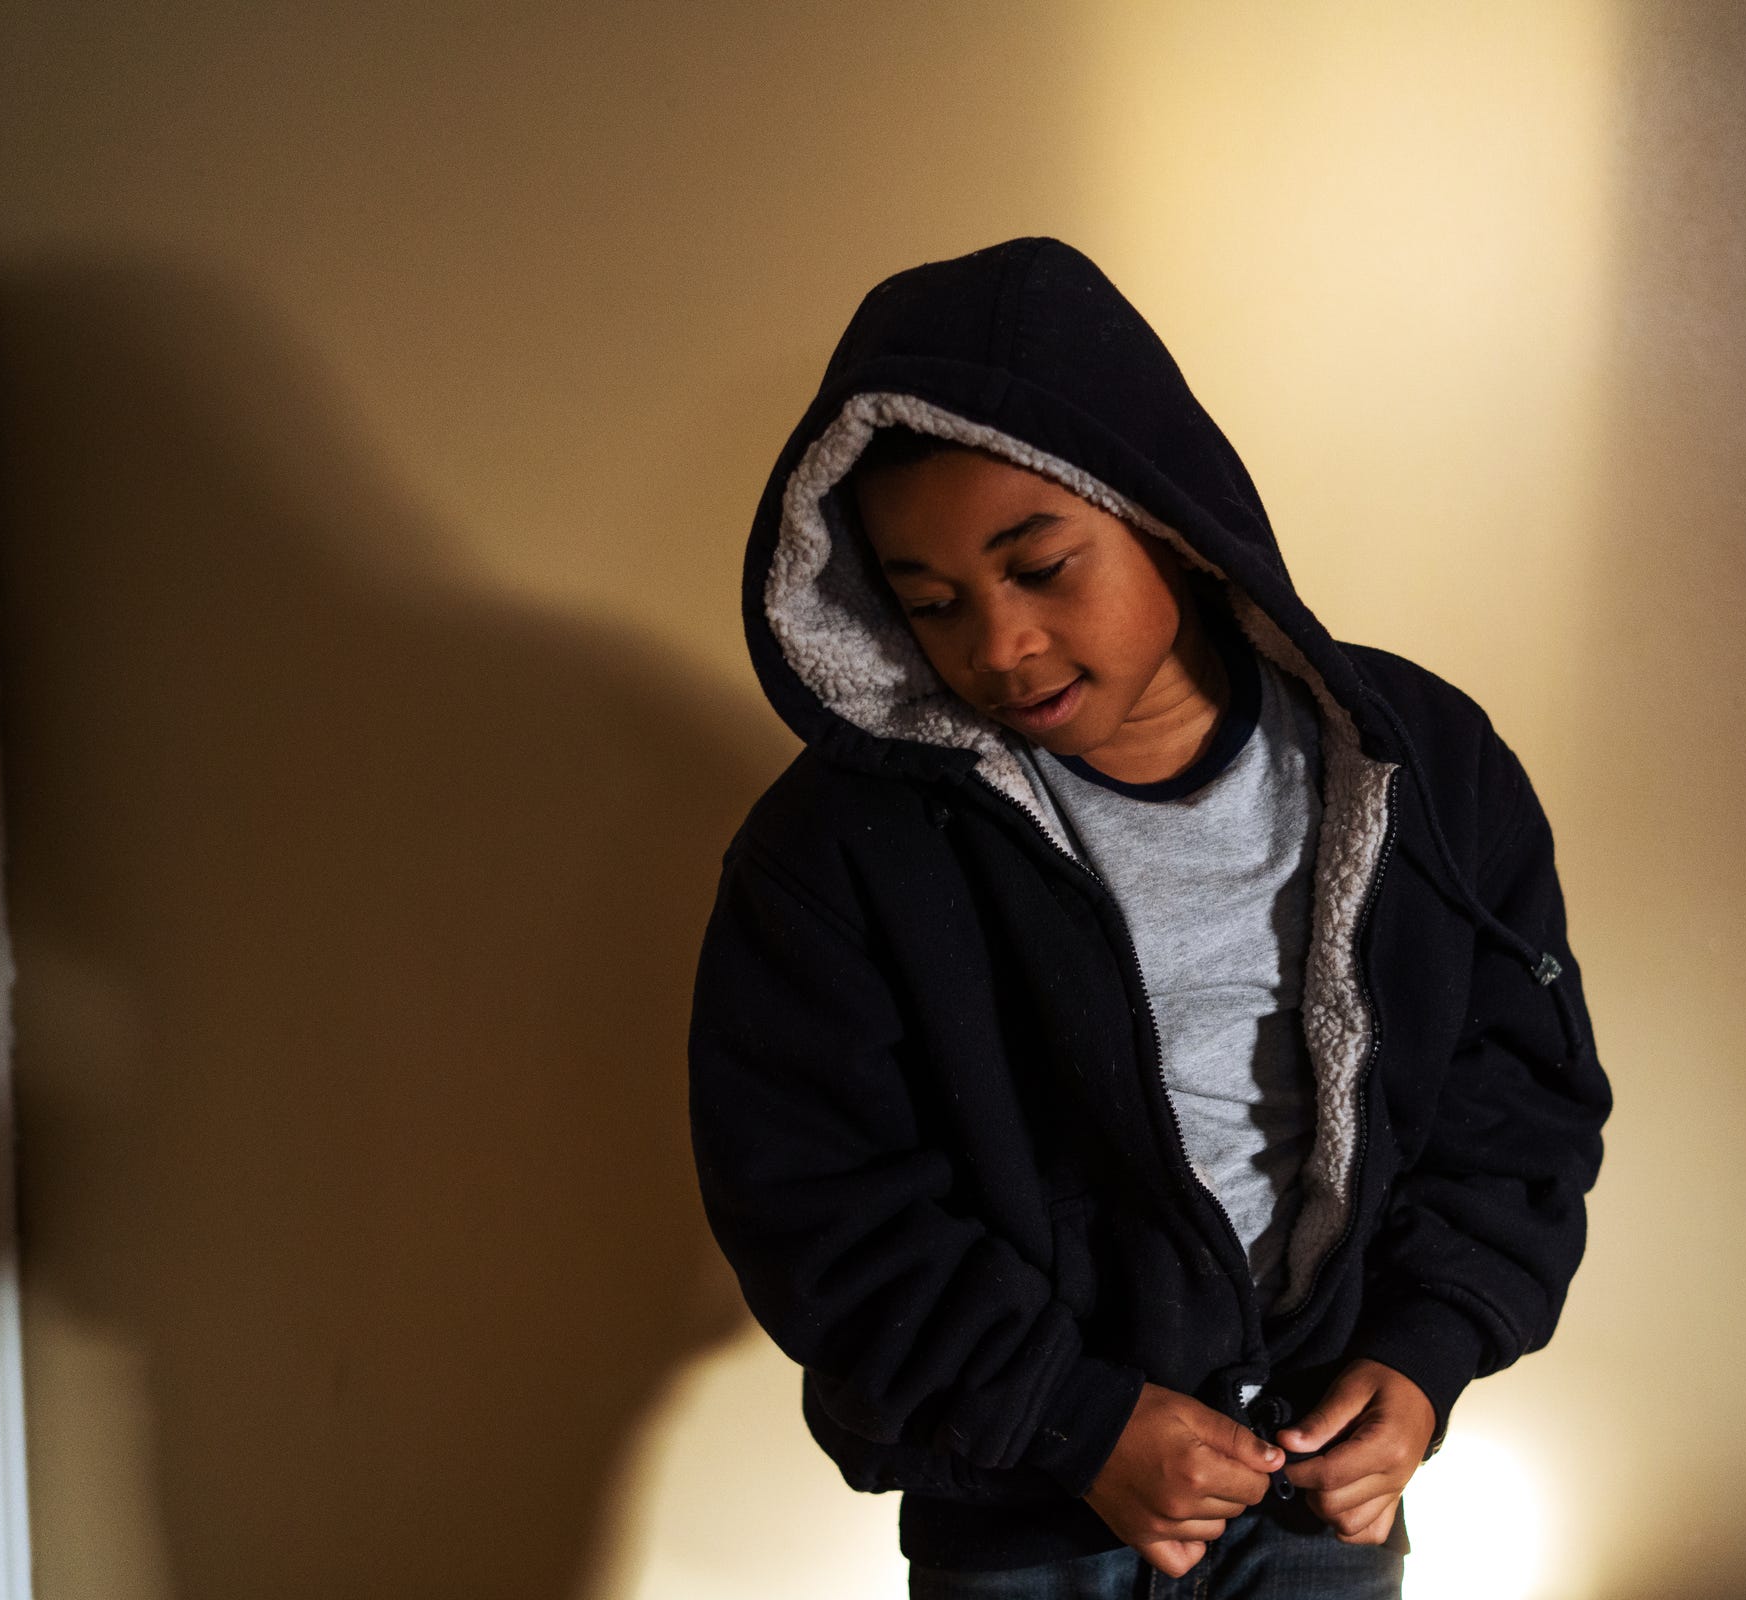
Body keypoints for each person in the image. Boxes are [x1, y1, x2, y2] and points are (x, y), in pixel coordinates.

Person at [688, 237, 1613, 1599]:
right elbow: (815, 1197)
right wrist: (1076, 1420)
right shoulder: (838, 846)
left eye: (1042, 566)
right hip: (1025, 1507)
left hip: (1323, 1494)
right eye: (929, 603)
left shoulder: (1420, 765)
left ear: (1163, 517)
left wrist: (1425, 1358)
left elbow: (1514, 1101)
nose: (998, 646)